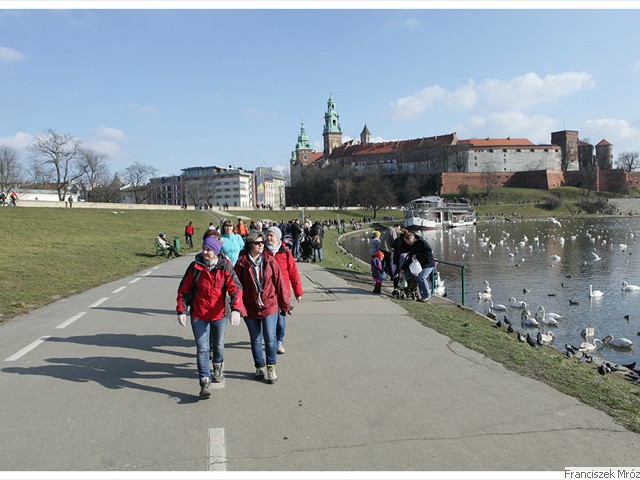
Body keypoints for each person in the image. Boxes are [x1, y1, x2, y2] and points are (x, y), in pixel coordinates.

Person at [176, 236, 246, 399]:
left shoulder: (224, 266)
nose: (204, 252)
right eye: (204, 249)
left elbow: (236, 288)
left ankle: (217, 366)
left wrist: (236, 308)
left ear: (215, 252)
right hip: (199, 314)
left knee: (218, 344)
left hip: (219, 314)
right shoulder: (195, 267)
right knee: (202, 348)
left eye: (208, 250)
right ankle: (204, 381)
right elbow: (183, 290)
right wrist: (181, 310)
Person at [234, 230, 290, 384]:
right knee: (256, 339)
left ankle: (271, 367)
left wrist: (285, 306)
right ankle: (259, 366)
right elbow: (235, 286)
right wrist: (236, 307)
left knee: (270, 338)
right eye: (257, 243)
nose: (261, 245)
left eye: (262, 242)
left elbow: (279, 282)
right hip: (250, 307)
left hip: (270, 304)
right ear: (250, 244)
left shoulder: (270, 260)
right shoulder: (241, 263)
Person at [265, 226, 303, 354]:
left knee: (280, 320)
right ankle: (271, 340)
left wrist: (298, 292)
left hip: (283, 292)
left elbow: (293, 273)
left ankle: (279, 341)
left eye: (272, 235)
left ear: (278, 237)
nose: (269, 238)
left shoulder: (285, 252)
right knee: (269, 319)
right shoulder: (262, 251)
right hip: (267, 293)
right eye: (268, 235)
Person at [401, 231, 436, 303]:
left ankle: (427, 296)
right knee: (418, 278)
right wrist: (403, 268)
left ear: (411, 239)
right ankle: (423, 296)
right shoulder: (411, 246)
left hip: (429, 263)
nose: (407, 243)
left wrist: (418, 256)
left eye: (407, 241)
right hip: (421, 265)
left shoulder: (422, 242)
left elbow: (429, 254)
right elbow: (410, 258)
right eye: (406, 241)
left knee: (421, 278)